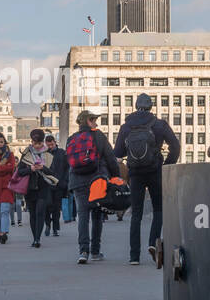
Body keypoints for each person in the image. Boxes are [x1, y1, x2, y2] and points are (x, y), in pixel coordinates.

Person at [113, 93, 180, 266]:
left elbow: (118, 153)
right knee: (159, 210)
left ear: (135, 106)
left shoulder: (126, 127)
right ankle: (153, 243)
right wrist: (167, 164)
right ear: (151, 107)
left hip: (135, 173)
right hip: (155, 171)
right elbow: (175, 145)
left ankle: (134, 256)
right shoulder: (159, 124)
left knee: (136, 214)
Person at [66, 109, 120, 264]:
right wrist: (116, 177)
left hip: (77, 180)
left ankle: (83, 251)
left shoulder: (72, 138)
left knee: (82, 215)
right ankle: (95, 251)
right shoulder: (98, 136)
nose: (96, 122)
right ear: (88, 121)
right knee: (97, 215)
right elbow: (111, 158)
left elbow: (68, 161)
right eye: (94, 119)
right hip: (97, 180)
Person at [16, 129, 59, 248]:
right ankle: (35, 237)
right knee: (33, 214)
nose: (38, 146)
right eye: (35, 143)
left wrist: (43, 168)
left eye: (40, 143)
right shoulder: (26, 154)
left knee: (40, 212)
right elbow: (19, 172)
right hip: (30, 188)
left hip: (43, 187)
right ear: (32, 142)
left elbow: (53, 172)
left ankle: (37, 239)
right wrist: (31, 169)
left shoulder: (48, 155)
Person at [43, 133, 68, 238]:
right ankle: (48, 224)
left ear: (55, 143)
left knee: (56, 208)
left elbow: (67, 168)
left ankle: (55, 228)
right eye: (48, 145)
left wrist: (65, 181)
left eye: (51, 144)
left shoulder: (62, 153)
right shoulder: (43, 154)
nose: (50, 147)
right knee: (47, 206)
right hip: (47, 185)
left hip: (59, 184)